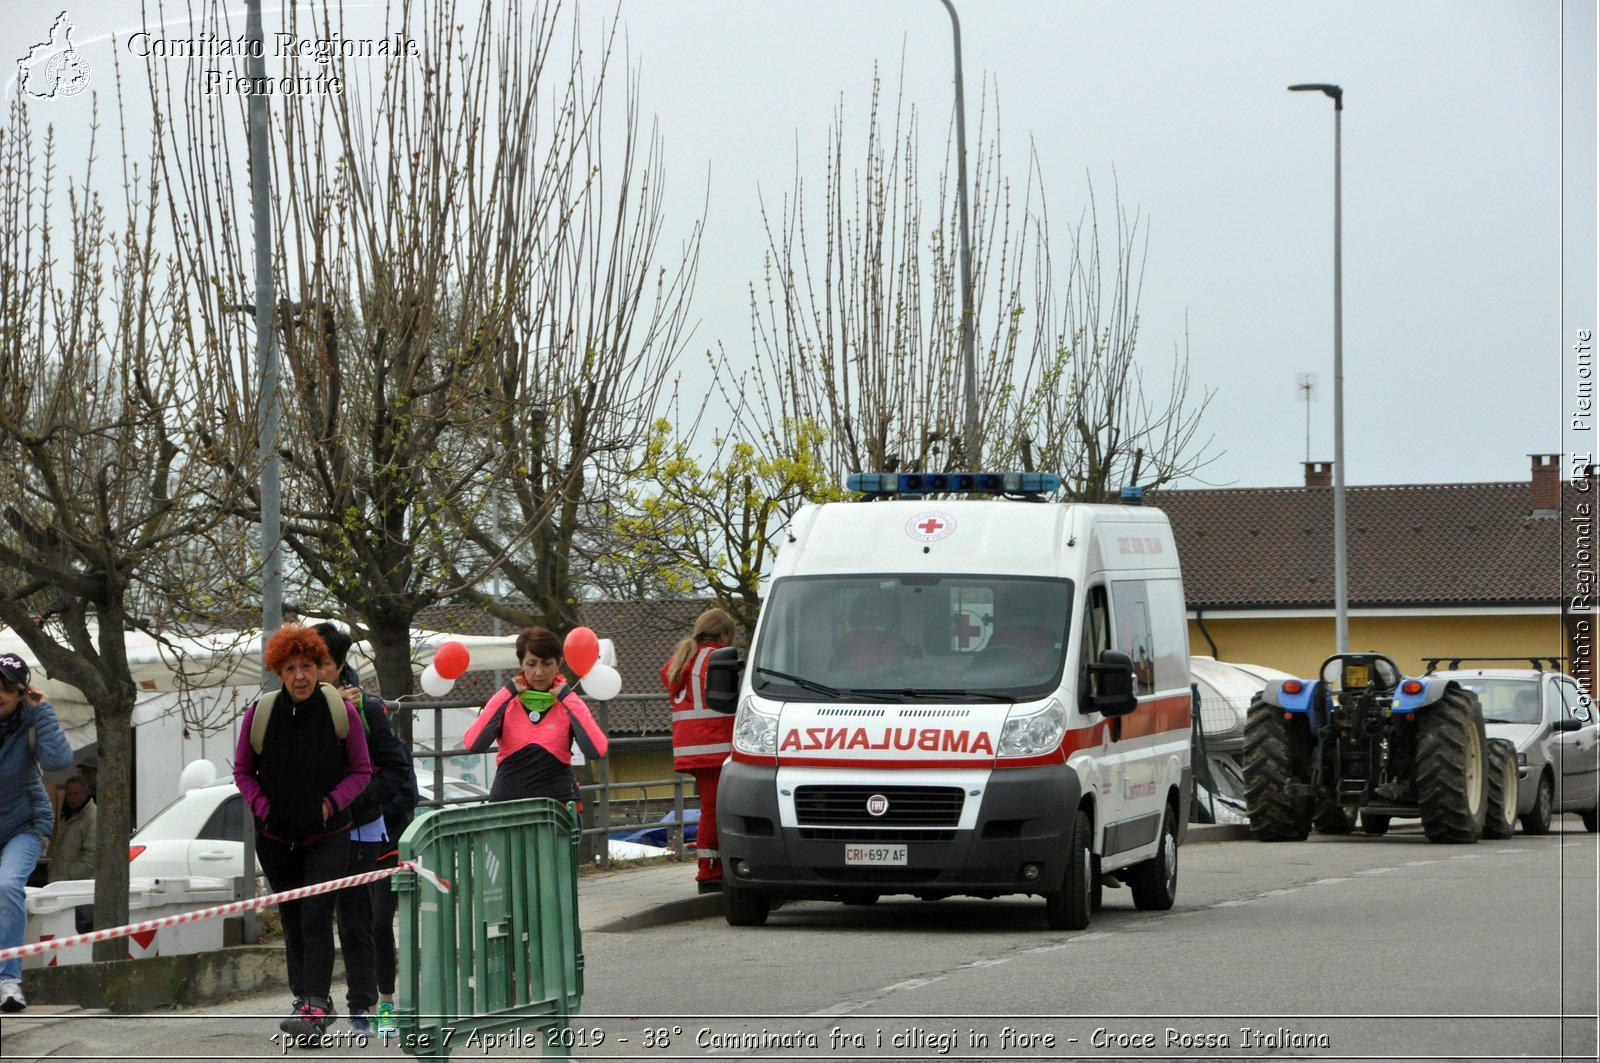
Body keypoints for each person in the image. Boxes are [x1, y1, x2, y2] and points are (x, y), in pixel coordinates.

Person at [233, 624, 371, 1038]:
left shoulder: (340, 712)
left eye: (307, 666)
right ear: (278, 671)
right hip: (276, 838)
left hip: (328, 835)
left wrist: (329, 804)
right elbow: (243, 771)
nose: (300, 676)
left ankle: (315, 1002)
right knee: (292, 917)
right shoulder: (260, 714)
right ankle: (307, 998)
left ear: (318, 668)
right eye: (290, 667)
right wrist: (263, 808)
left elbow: (362, 771)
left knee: (315, 913)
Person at [312, 623, 415, 1037]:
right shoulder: (294, 710)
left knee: (370, 923)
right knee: (325, 918)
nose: (311, 673)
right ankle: (321, 1005)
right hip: (320, 833)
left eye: (321, 664)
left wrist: (364, 800)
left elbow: (400, 776)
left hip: (372, 831)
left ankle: (378, 1007)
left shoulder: (365, 708)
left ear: (339, 666)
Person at [0, 652, 73, 1012]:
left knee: (7, 885)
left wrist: (41, 711)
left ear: (20, 693)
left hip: (25, 824)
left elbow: (59, 762)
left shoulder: (33, 717)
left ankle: (9, 982)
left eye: (6, 689)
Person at [464, 626, 607, 804]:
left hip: (558, 809)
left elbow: (597, 749)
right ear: (521, 664)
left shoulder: (568, 703)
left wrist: (569, 698)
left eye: (547, 663)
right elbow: (473, 744)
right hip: (508, 808)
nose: (539, 672)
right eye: (531, 664)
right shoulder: (506, 702)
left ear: (559, 663)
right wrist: (506, 693)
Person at [659, 609, 737, 894]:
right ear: (725, 635)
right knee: (715, 809)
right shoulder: (718, 659)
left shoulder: (683, 660)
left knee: (710, 807)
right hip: (715, 746)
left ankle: (713, 868)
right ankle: (709, 872)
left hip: (691, 747)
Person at [47, 776, 96, 882]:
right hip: (60, 881)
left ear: (86, 793)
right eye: (69, 794)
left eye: (76, 794)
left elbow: (91, 858)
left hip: (74, 885)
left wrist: (67, 875)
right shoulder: (69, 814)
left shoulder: (93, 817)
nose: (72, 799)